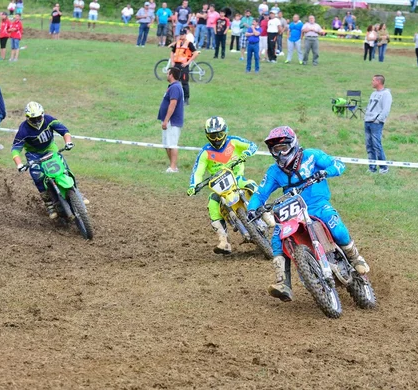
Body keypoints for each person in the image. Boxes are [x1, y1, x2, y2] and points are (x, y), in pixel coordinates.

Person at [247, 126, 370, 302]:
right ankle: (283, 283)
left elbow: (338, 164)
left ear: (293, 144)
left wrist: (326, 172)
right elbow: (260, 194)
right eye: (276, 150)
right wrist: (252, 210)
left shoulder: (312, 156)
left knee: (336, 227)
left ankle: (355, 257)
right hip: (293, 210)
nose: (281, 154)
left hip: (318, 205)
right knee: (277, 236)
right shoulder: (274, 172)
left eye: (283, 149)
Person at [187, 116, 259, 254]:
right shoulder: (205, 152)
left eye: (219, 134)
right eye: (213, 136)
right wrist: (193, 185)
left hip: (237, 179)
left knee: (251, 185)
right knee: (212, 204)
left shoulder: (234, 141)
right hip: (219, 187)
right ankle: (223, 241)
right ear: (207, 135)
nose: (217, 139)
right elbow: (197, 171)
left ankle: (266, 214)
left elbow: (252, 145)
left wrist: (247, 152)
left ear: (225, 131)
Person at [11, 102, 83, 219]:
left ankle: (76, 191)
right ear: (28, 118)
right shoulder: (23, 129)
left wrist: (68, 142)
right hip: (34, 154)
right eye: (33, 119)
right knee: (36, 174)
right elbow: (15, 149)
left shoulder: (49, 120)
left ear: (42, 115)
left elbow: (64, 130)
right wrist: (19, 164)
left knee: (63, 165)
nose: (37, 121)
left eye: (38, 117)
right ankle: (49, 204)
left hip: (50, 148)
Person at [364, 75, 392, 174]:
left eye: (373, 80)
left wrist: (378, 119)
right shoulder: (373, 93)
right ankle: (372, 167)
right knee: (369, 145)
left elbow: (386, 109)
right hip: (367, 121)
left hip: (376, 123)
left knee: (376, 145)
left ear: (379, 82)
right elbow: (369, 106)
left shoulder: (386, 94)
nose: (372, 82)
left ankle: (383, 167)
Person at [158, 67, 184, 173]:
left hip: (172, 122)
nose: (166, 75)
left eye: (168, 73)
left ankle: (173, 167)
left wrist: (166, 120)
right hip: (168, 121)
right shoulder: (173, 87)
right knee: (167, 144)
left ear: (171, 75)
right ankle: (172, 166)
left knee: (172, 144)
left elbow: (173, 104)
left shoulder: (175, 87)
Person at [171, 28, 198, 105]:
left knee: (184, 82)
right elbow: (172, 52)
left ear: (186, 35)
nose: (181, 36)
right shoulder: (178, 43)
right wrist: (172, 61)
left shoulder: (189, 43)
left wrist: (188, 62)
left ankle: (186, 99)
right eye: (180, 34)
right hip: (176, 65)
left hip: (184, 65)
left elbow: (195, 53)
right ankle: (176, 98)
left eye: (183, 34)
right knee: (175, 82)